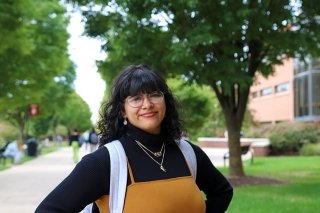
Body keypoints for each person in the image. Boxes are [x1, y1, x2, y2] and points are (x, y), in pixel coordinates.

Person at [36, 64, 233, 212]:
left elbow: (222, 192)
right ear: (122, 110)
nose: (147, 104)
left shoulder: (189, 153)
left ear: (165, 101)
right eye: (136, 99)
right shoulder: (105, 162)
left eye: (154, 95)